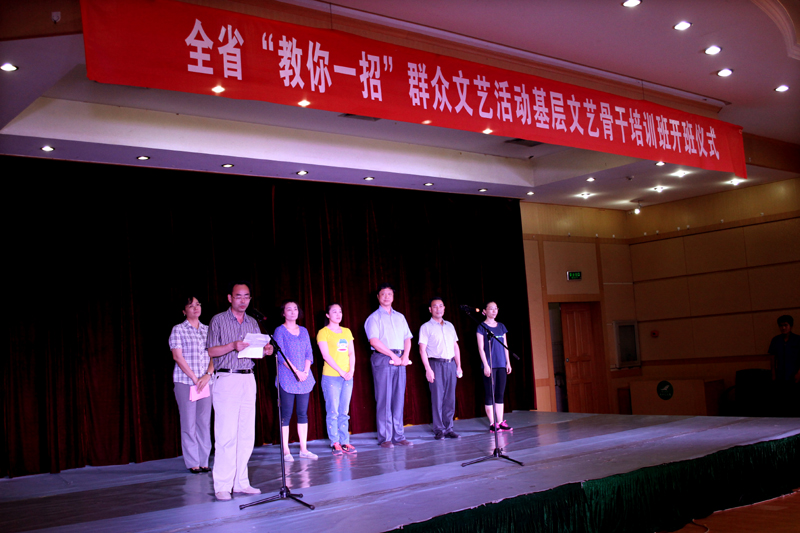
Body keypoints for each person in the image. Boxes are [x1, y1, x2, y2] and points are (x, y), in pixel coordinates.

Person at [206, 281, 273, 501]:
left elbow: (255, 352)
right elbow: (211, 351)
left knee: (246, 433)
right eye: (238, 296)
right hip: (226, 377)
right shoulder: (218, 320)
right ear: (230, 298)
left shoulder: (253, 322)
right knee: (226, 434)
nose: (243, 300)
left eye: (246, 296)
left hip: (248, 378)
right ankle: (222, 485)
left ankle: (241, 482)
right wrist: (232, 346)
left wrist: (265, 351)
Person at [168, 295, 214, 474]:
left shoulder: (208, 330)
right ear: (184, 311)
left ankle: (204, 460)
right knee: (189, 423)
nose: (196, 308)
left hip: (206, 381)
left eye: (198, 304)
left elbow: (214, 354)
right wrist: (195, 379)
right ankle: (193, 462)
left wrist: (207, 375)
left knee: (204, 422)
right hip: (186, 382)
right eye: (191, 305)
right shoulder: (178, 329)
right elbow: (177, 356)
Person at [364, 283, 414, 448]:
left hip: (400, 358)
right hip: (383, 358)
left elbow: (407, 338)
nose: (386, 297)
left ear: (393, 297)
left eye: (389, 294)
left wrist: (405, 355)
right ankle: (385, 438)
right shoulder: (374, 318)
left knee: (398, 398)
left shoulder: (400, 317)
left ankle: (399, 436)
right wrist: (392, 355)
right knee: (384, 398)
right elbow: (374, 341)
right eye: (383, 294)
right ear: (378, 297)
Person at [273, 300, 318, 461]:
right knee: (286, 414)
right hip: (287, 376)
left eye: (295, 309)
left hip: (304, 377)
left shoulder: (304, 330)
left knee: (302, 413)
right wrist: (296, 371)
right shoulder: (279, 331)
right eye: (289, 309)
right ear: (283, 313)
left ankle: (303, 449)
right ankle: (286, 450)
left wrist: (305, 371)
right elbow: (281, 355)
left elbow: (309, 353)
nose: (293, 312)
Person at [419, 297, 462, 440]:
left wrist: (458, 365)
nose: (438, 309)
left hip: (451, 364)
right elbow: (422, 349)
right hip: (435, 364)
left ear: (444, 308)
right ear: (430, 309)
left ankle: (449, 428)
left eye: (441, 306)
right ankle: (439, 429)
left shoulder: (450, 326)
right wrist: (428, 369)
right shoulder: (426, 327)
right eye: (435, 306)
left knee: (450, 398)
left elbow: (455, 346)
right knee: (437, 398)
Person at [318, 303, 357, 455]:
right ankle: (335, 442)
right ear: (328, 315)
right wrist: (340, 371)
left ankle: (345, 441)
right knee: (333, 411)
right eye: (334, 312)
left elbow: (351, 352)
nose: (338, 314)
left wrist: (351, 370)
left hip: (347, 376)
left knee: (344, 411)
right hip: (331, 376)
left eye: (340, 311)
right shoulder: (323, 332)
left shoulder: (347, 331)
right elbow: (325, 355)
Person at [476, 301, 512, 432]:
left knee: (500, 393)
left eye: (496, 308)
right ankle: (492, 423)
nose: (494, 311)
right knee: (490, 394)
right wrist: (486, 365)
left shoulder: (501, 326)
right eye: (491, 308)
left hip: (501, 364)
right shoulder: (481, 327)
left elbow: (505, 346)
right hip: (490, 365)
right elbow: (481, 348)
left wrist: (508, 362)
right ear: (484, 311)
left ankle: (501, 421)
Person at [768, 315, 800, 416]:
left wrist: (799, 373)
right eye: (781, 326)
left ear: (790, 326)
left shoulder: (797, 339)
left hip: (794, 374)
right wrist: (773, 373)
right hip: (781, 375)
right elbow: (772, 357)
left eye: (785, 325)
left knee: (795, 400)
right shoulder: (776, 340)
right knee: (782, 401)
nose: (783, 328)